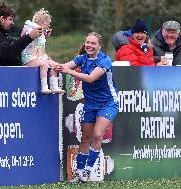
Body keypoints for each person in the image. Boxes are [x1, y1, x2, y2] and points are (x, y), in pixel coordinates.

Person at [55, 32, 119, 182]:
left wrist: (68, 71)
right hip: (90, 104)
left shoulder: (105, 60)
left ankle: (87, 172)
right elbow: (64, 66)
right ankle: (79, 172)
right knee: (85, 138)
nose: (89, 46)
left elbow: (90, 78)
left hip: (108, 103)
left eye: (93, 43)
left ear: (99, 46)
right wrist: (51, 64)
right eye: (87, 43)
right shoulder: (81, 58)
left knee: (97, 135)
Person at [0, 2, 42, 66]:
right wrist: (29, 37)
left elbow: (17, 47)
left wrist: (40, 36)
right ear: (2, 19)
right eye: (10, 19)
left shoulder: (3, 35)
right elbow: (7, 52)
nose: (12, 23)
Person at [21, 8, 65, 94]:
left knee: (55, 65)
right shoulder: (30, 30)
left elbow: (39, 45)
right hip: (29, 57)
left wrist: (44, 34)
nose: (49, 26)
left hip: (39, 56)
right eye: (48, 23)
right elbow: (26, 35)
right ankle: (44, 87)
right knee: (44, 65)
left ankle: (54, 86)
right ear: (42, 22)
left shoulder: (41, 32)